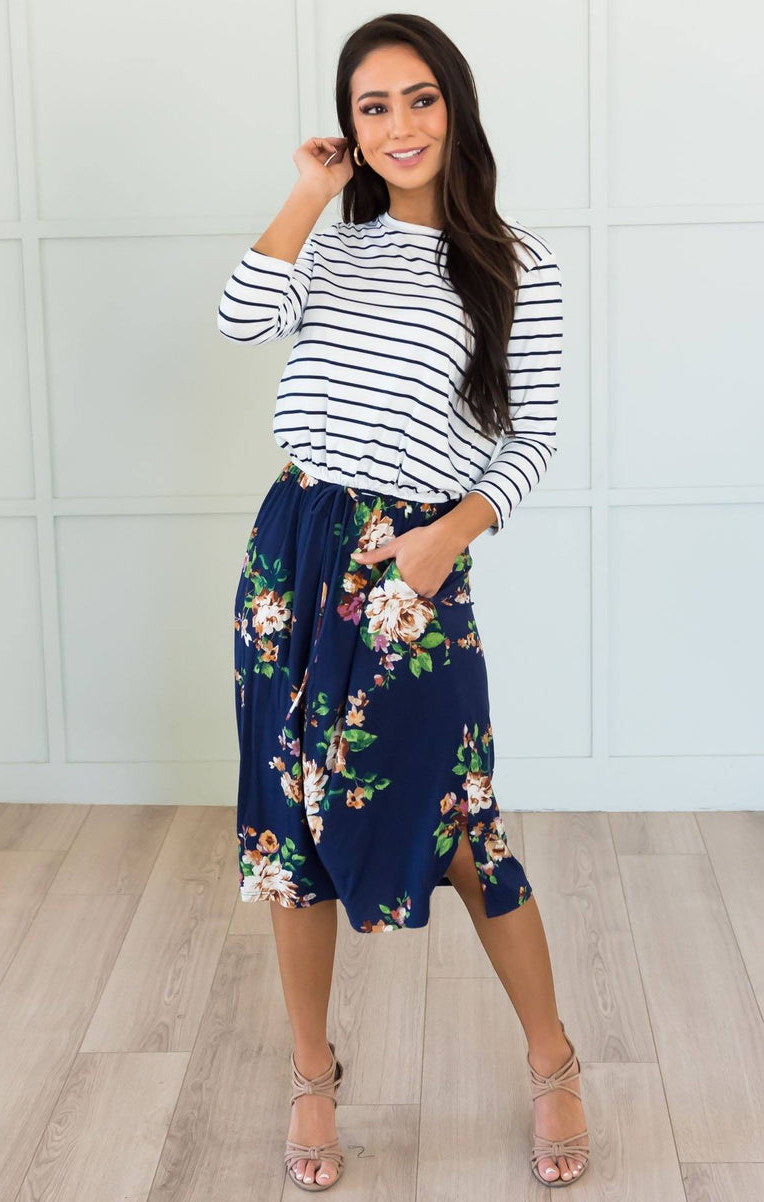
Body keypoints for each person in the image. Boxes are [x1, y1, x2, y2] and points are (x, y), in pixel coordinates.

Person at [217, 13, 589, 1193]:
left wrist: (443, 539)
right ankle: (311, 1071)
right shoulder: (331, 247)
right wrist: (308, 193)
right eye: (370, 106)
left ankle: (551, 1056)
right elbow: (238, 318)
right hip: (292, 552)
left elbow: (531, 436)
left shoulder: (516, 263)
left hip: (413, 559)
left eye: (417, 98)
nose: (397, 124)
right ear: (350, 126)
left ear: (454, 106)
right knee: (288, 825)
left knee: (463, 820)